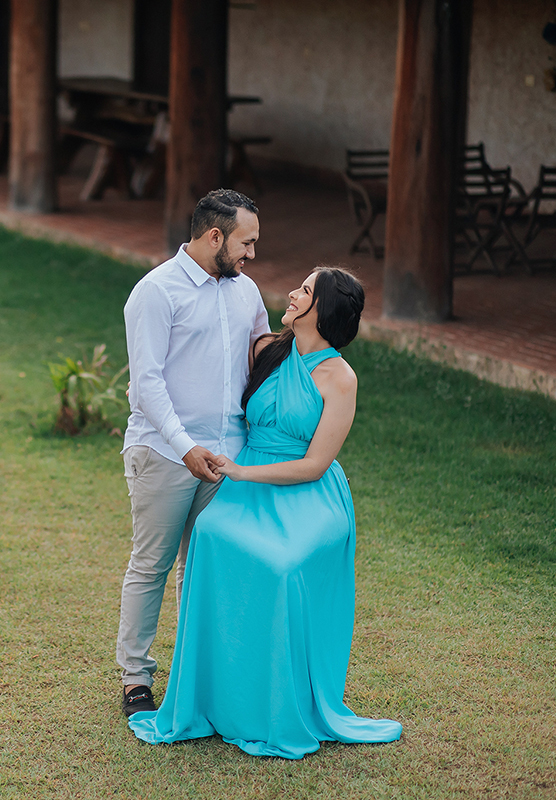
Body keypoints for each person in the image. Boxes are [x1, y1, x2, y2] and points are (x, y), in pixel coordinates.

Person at [127, 266, 402, 759]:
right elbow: (207, 352)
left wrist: (240, 473)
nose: (293, 293)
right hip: (246, 477)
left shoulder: (340, 377)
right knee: (209, 533)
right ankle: (214, 695)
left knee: (281, 564)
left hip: (307, 495)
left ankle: (274, 703)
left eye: (305, 290)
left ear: (323, 310)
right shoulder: (270, 350)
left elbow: (316, 464)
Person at [118, 189, 271, 718]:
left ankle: (196, 673)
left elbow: (262, 355)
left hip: (227, 457)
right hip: (165, 452)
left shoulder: (245, 290)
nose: (251, 253)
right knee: (152, 565)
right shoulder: (156, 292)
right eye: (245, 242)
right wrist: (185, 448)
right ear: (215, 237)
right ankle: (135, 678)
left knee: (204, 569)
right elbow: (147, 384)